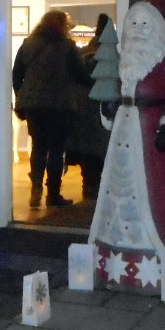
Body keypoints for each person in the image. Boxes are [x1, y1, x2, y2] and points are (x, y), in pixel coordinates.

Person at [89, 0, 165, 293]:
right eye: (133, 22)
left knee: (157, 196)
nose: (137, 28)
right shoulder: (126, 63)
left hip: (150, 140)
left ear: (158, 29)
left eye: (144, 23)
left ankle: (164, 264)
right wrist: (109, 110)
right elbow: (119, 93)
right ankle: (117, 265)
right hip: (124, 136)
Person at [12, 10, 92, 208]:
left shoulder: (28, 44)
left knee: (38, 147)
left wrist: (22, 96)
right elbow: (80, 75)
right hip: (59, 105)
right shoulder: (66, 46)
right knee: (56, 150)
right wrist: (94, 83)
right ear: (62, 25)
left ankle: (36, 190)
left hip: (34, 105)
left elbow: (16, 75)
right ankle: (53, 195)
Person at [65, 13, 111, 201]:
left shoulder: (84, 53)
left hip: (83, 108)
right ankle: (99, 187)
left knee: (87, 149)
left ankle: (88, 186)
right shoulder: (114, 54)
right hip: (103, 108)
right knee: (102, 148)